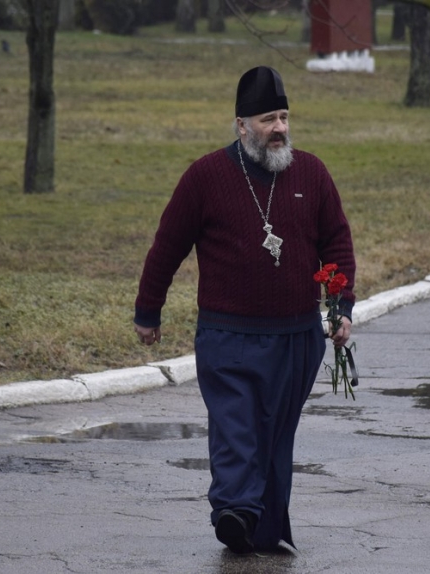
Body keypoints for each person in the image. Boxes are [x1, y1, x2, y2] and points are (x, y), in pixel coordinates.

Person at [133, 66, 356, 554]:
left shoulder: (312, 173)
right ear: (241, 125)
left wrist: (342, 306)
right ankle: (234, 509)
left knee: (275, 433)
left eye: (283, 116)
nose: (280, 128)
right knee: (237, 424)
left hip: (296, 336)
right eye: (267, 119)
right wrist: (148, 310)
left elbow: (336, 241)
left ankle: (263, 527)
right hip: (227, 334)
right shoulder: (205, 177)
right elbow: (167, 246)